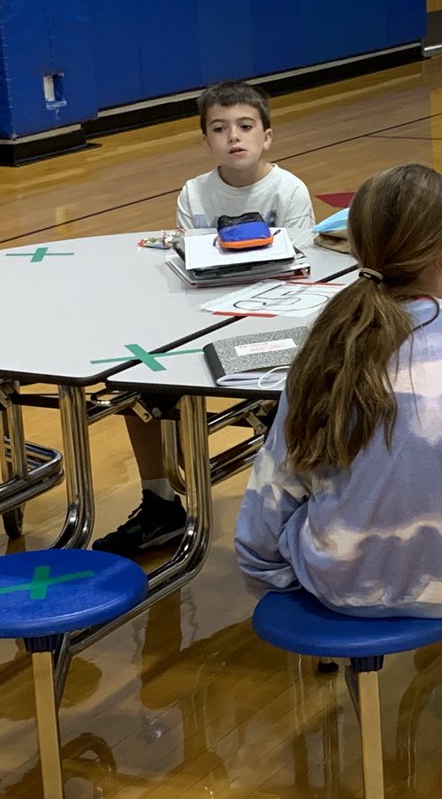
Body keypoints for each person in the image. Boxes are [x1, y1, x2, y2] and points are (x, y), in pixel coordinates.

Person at [235, 163, 442, 772]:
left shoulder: (321, 349)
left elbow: (274, 490)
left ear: (356, 248)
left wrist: (270, 577)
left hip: (338, 582)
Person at [93, 81, 315, 557]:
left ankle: (303, 503)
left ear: (267, 136)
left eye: (245, 126)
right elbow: (192, 269)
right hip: (205, 321)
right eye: (220, 128)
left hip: (274, 324)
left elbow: (303, 273)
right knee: (138, 382)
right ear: (206, 140)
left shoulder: (289, 190)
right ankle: (161, 506)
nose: (233, 137)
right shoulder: (195, 194)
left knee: (297, 394)